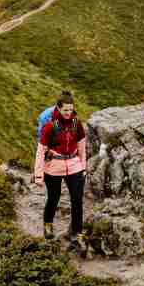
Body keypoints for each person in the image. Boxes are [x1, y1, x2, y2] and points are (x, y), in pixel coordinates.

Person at [34, 91, 88, 246]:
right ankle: (48, 224)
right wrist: (38, 175)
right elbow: (41, 151)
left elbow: (82, 147)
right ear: (58, 108)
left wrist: (83, 168)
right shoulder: (50, 126)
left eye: (71, 110)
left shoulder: (77, 123)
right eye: (65, 110)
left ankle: (77, 233)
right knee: (54, 197)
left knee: (77, 200)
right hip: (53, 167)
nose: (68, 113)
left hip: (74, 165)